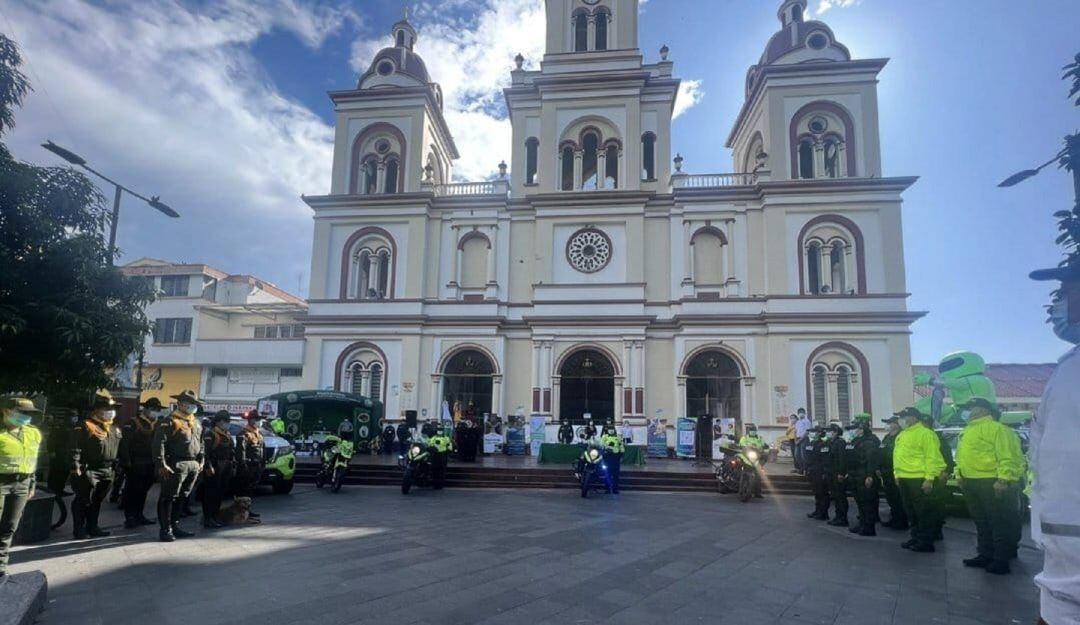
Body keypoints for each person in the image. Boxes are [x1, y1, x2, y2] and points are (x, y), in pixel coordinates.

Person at [1028, 258, 1080, 623]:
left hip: (1070, 581)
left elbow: (1066, 475)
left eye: (1066, 291)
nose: (1056, 303)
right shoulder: (1069, 368)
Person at [953, 396, 1024, 575]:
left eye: (971, 408)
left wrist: (1003, 479)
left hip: (991, 482)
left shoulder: (998, 429)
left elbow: (1008, 456)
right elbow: (961, 457)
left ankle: (1001, 559)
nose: (967, 412)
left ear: (983, 410)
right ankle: (985, 554)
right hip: (971, 481)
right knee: (981, 521)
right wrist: (959, 474)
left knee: (998, 522)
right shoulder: (967, 431)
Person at [892, 407, 946, 553]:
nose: (902, 420)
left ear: (915, 417)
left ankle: (926, 541)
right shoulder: (902, 435)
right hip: (904, 478)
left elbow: (932, 457)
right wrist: (897, 474)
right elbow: (897, 457)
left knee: (923, 512)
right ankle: (915, 537)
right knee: (911, 511)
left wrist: (929, 479)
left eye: (905, 417)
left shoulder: (926, 434)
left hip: (919, 478)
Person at [152, 390, 204, 542]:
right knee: (168, 497)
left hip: (192, 463)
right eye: (189, 403)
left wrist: (202, 460)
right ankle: (165, 529)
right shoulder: (169, 421)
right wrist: (161, 463)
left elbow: (201, 443)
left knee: (182, 496)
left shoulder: (196, 422)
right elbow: (158, 443)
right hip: (175, 463)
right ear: (180, 404)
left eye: (194, 404)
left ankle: (175, 525)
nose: (192, 407)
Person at [0, 397, 42, 580]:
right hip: (2, 482)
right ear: (6, 411)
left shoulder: (33, 433)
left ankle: (1, 567)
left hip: (22, 483)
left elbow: (33, 459)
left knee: (10, 526)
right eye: (22, 413)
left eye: (29, 414)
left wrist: (32, 483)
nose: (26, 417)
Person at [70, 392, 122, 539]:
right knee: (83, 499)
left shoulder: (114, 428)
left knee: (97, 500)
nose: (110, 412)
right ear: (96, 410)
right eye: (106, 409)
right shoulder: (85, 425)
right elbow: (76, 447)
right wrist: (76, 465)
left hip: (108, 469)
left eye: (112, 409)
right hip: (89, 468)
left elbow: (120, 448)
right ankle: (78, 528)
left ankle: (93, 526)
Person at [119, 397, 162, 529]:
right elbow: (125, 444)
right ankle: (130, 517)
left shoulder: (157, 424)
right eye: (153, 409)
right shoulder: (133, 423)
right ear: (146, 409)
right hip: (136, 462)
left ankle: (139, 515)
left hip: (150, 462)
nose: (155, 412)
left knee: (143, 491)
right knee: (132, 490)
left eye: (157, 410)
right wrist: (126, 462)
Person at [845, 413, 880, 536]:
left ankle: (868, 527)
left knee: (867, 503)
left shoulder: (869, 442)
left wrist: (870, 476)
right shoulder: (855, 441)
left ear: (861, 429)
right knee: (860, 502)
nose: (852, 431)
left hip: (864, 475)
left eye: (855, 428)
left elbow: (871, 460)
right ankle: (862, 524)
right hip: (855, 475)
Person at [201, 411, 235, 529]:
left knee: (219, 494)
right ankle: (207, 518)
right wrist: (207, 466)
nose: (227, 424)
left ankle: (215, 517)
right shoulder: (211, 434)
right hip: (214, 466)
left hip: (225, 467)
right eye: (226, 422)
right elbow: (205, 452)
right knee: (210, 494)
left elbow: (231, 451)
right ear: (219, 422)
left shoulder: (227, 434)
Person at [878, 415, 908, 530]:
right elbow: (880, 452)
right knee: (891, 498)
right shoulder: (887, 437)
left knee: (898, 497)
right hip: (885, 472)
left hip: (895, 471)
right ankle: (894, 518)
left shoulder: (901, 436)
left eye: (890, 423)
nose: (888, 425)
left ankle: (902, 521)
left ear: (896, 424)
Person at [235, 410, 265, 519]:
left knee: (250, 490)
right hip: (247, 466)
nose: (259, 422)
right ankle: (240, 512)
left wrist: (263, 464)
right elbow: (240, 451)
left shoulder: (258, 433)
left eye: (260, 419)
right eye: (257, 419)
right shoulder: (244, 433)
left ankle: (248, 510)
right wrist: (243, 465)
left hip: (256, 466)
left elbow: (262, 449)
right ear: (251, 420)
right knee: (243, 491)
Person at [821, 423, 848, 526]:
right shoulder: (829, 442)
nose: (828, 433)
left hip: (837, 473)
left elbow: (842, 459)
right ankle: (837, 516)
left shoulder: (840, 442)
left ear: (836, 432)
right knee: (835, 496)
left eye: (830, 431)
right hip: (830, 472)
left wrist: (841, 473)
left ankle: (842, 518)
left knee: (840, 496)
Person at [804, 427, 829, 520]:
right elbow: (807, 457)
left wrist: (824, 472)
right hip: (812, 470)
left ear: (819, 433)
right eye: (810, 432)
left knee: (822, 493)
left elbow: (825, 459)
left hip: (820, 471)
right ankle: (817, 510)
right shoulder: (810, 443)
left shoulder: (823, 444)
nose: (811, 433)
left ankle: (823, 513)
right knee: (816, 493)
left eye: (813, 432)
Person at [426, 423, 453, 490]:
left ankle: (440, 485)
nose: (440, 431)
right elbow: (429, 445)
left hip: (443, 456)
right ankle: (435, 484)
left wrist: (448, 450)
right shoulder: (433, 438)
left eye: (441, 430)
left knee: (441, 471)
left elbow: (450, 447)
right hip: (435, 456)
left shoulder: (446, 438)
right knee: (435, 471)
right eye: (438, 430)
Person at [600, 425, 625, 494]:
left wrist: (622, 455)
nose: (611, 430)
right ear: (607, 430)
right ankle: (607, 489)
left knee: (616, 475)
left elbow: (621, 446)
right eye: (609, 429)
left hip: (615, 457)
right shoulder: (604, 436)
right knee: (607, 474)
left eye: (612, 429)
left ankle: (615, 489)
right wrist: (607, 446)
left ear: (614, 430)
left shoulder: (618, 437)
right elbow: (601, 444)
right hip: (607, 457)